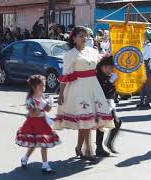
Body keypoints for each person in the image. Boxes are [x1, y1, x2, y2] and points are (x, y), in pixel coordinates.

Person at [55, 26, 114, 161]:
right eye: (81, 36)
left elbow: (104, 62)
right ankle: (88, 150)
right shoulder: (70, 54)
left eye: (86, 36)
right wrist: (61, 94)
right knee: (86, 121)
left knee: (88, 121)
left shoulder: (93, 51)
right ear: (74, 38)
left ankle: (79, 148)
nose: (84, 38)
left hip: (93, 87)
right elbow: (65, 75)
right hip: (79, 89)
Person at [16, 75, 60, 174]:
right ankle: (27, 159)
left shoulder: (43, 97)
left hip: (42, 123)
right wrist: (41, 105)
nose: (43, 88)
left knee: (42, 143)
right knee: (34, 144)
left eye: (44, 86)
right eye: (41, 86)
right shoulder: (30, 100)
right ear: (33, 87)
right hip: (33, 124)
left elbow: (48, 110)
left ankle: (43, 165)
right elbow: (33, 114)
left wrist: (50, 103)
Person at [95, 55, 122, 157]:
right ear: (101, 66)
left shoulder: (110, 75)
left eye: (110, 67)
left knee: (117, 122)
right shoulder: (98, 76)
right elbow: (104, 89)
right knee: (101, 125)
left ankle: (109, 142)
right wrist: (111, 82)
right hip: (100, 102)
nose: (108, 69)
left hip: (109, 102)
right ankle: (99, 147)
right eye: (106, 67)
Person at [137, 29, 151, 108]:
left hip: (147, 64)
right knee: (141, 85)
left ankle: (147, 102)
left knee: (148, 85)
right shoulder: (143, 44)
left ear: (147, 37)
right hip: (142, 64)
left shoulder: (148, 45)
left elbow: (144, 55)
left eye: (143, 35)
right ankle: (141, 101)